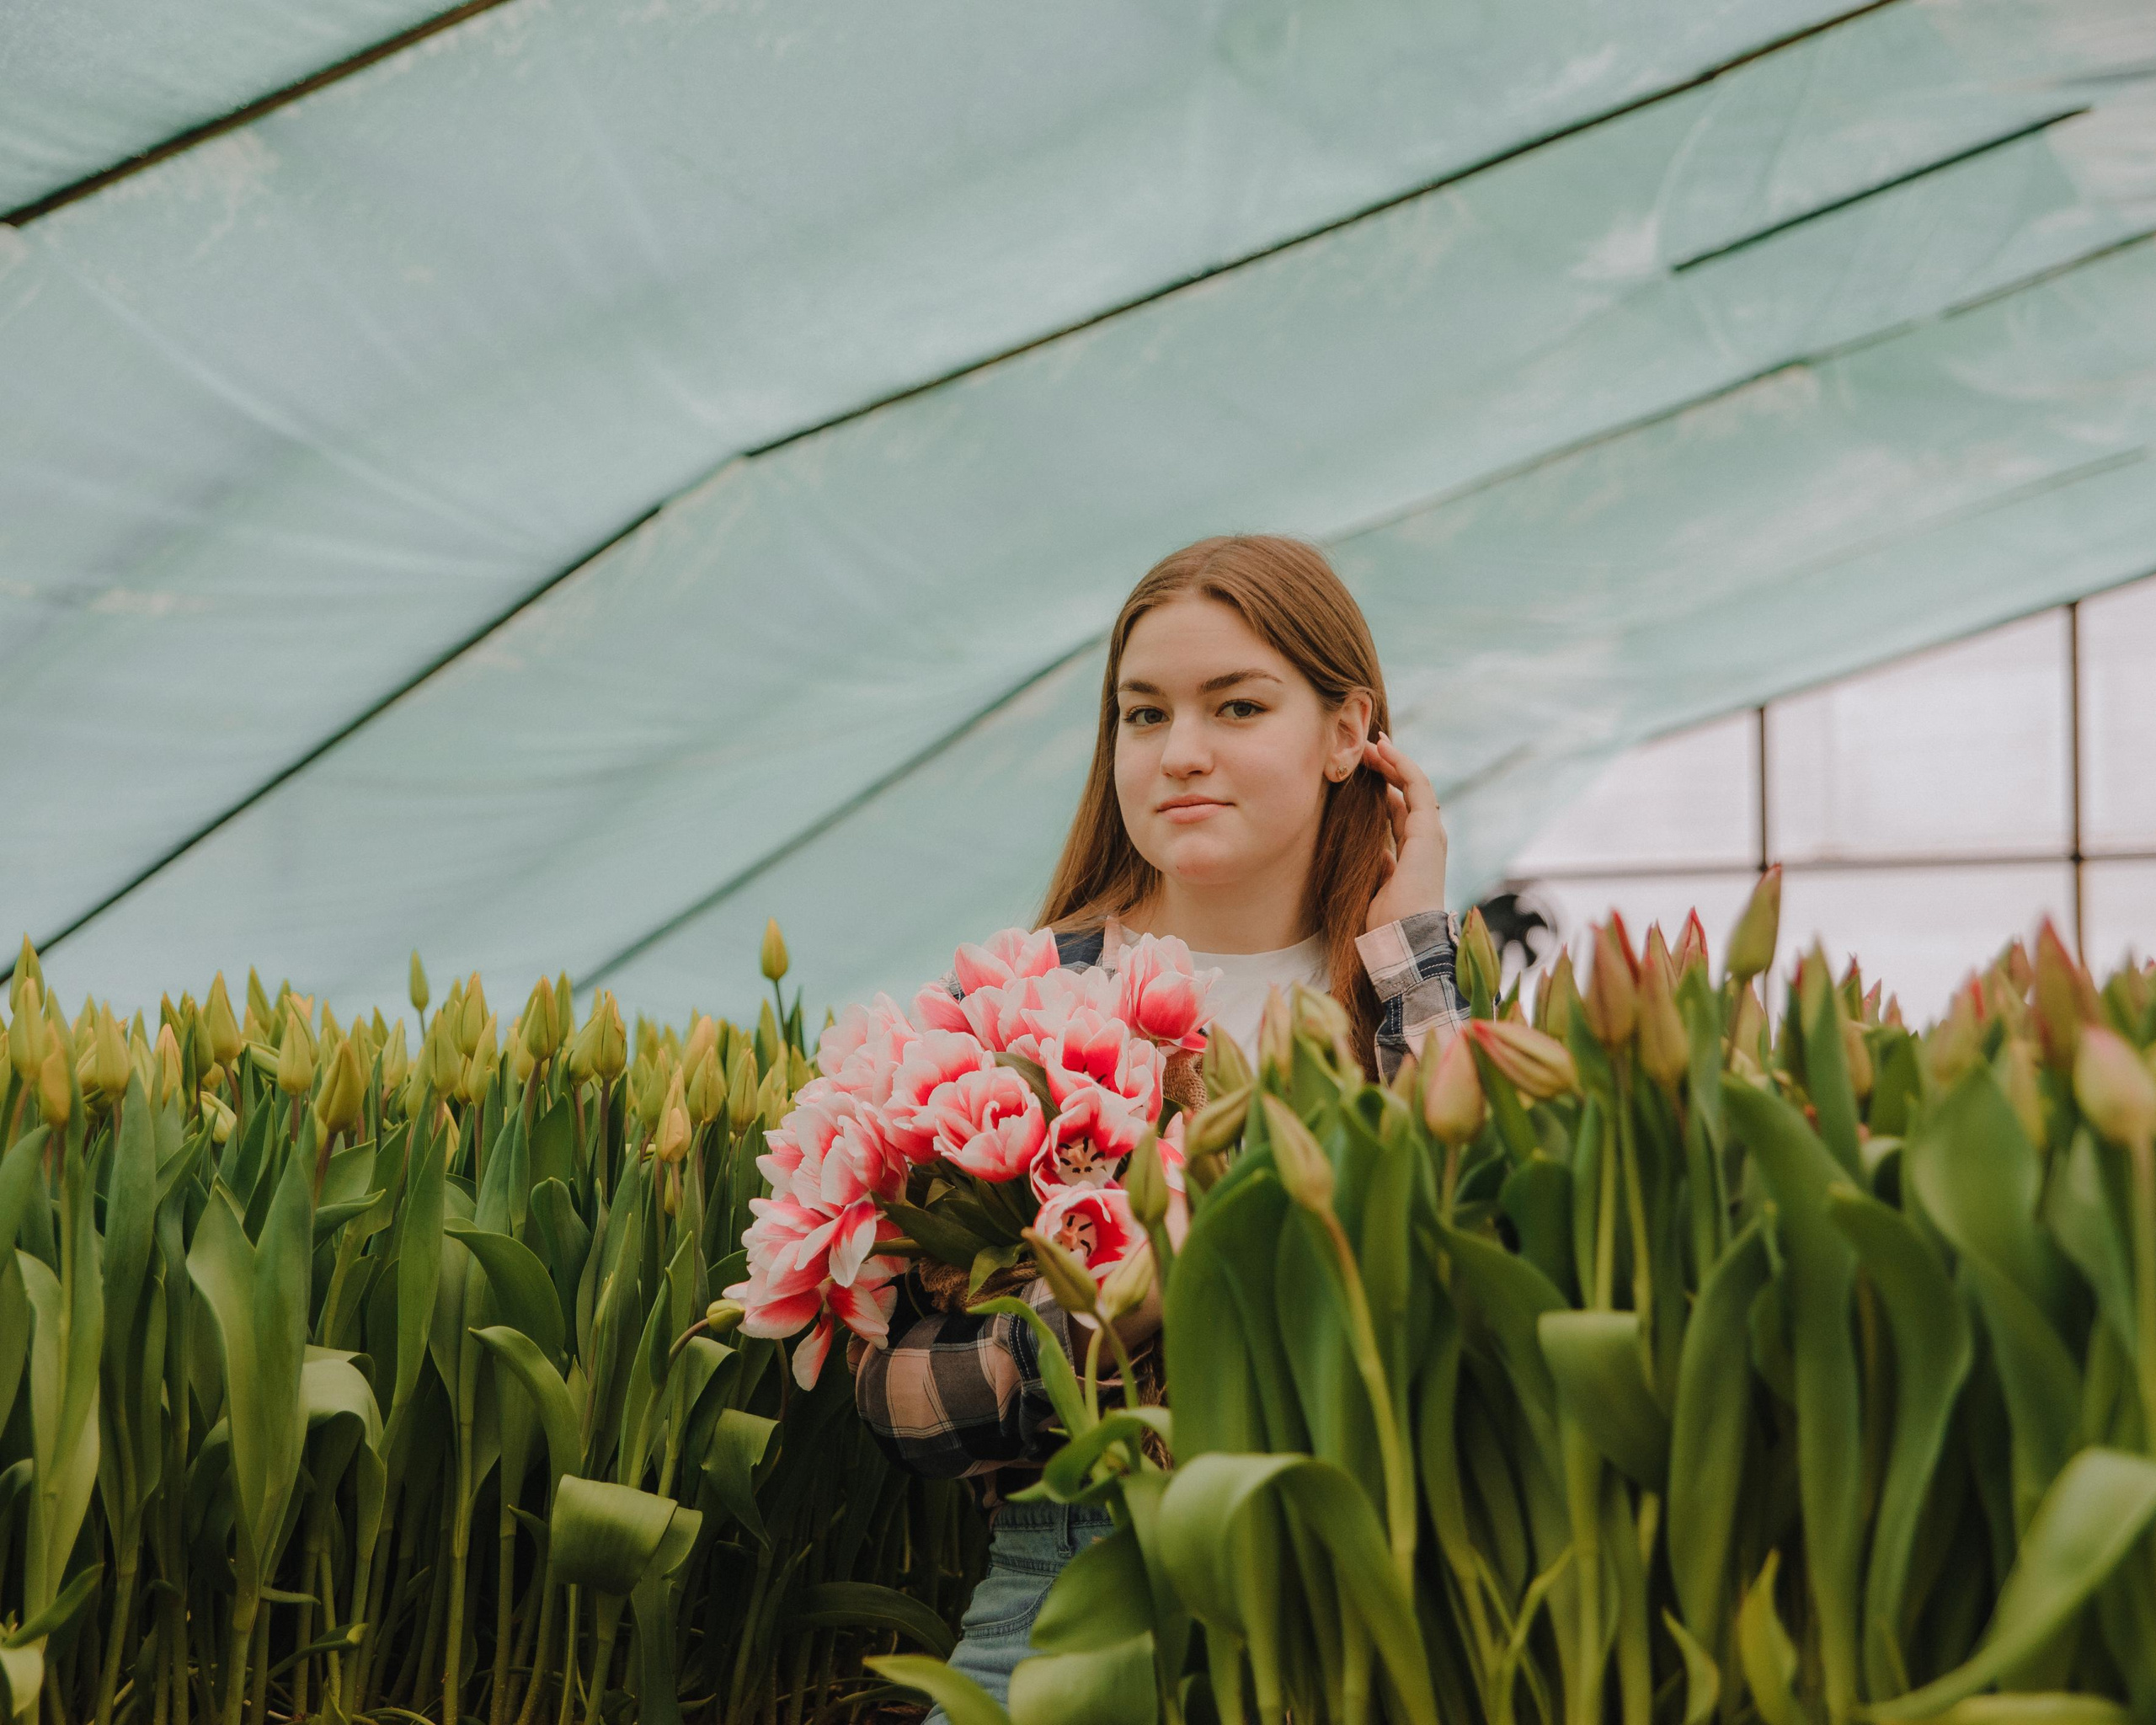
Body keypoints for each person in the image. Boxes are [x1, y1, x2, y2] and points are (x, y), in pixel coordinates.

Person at [852, 534, 1468, 1716]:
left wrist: (1416, 942)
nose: (1181, 753)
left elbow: (1468, 1262)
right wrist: (1098, 1326)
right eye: (1144, 716)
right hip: (1058, 1611)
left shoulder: (1399, 998)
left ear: (1350, 734)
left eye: (1237, 705)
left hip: (1350, 1625)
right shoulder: (1021, 1008)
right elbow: (895, 1404)